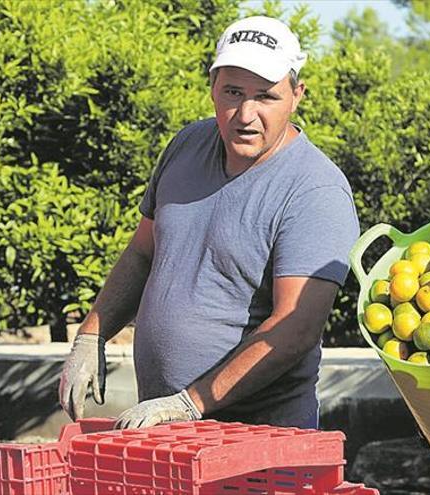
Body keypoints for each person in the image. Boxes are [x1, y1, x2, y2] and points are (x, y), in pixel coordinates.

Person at [58, 15, 360, 430]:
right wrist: (91, 335)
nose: (246, 114)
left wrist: (189, 402)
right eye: (232, 92)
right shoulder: (188, 145)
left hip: (256, 439)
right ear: (212, 88)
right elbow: (142, 253)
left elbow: (296, 328)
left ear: (296, 95)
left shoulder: (315, 191)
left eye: (266, 97)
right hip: (168, 430)